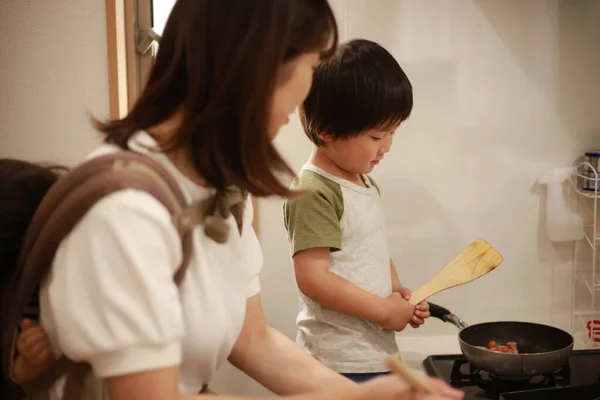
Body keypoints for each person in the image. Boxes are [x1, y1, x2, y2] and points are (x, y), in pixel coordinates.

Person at [2, 1, 464, 399]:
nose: (308, 89)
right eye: (309, 64)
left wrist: (358, 395)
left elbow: (252, 336)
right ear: (255, 72)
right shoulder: (127, 213)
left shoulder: (218, 186)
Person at [283, 39, 430, 383]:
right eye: (377, 136)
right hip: (336, 360)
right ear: (326, 131)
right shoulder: (313, 190)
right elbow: (312, 278)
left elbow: (370, 248)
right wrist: (383, 310)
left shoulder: (362, 182)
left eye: (393, 133)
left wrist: (398, 294)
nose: (387, 147)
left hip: (373, 353)